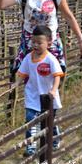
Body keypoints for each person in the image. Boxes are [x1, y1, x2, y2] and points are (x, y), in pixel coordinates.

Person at [14, 26, 64, 156]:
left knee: (48, 121)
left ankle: (55, 140)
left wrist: (53, 90)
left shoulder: (51, 59)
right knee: (31, 120)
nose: (35, 45)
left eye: (39, 43)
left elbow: (57, 76)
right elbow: (22, 74)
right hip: (32, 95)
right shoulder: (28, 58)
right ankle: (31, 146)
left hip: (48, 96)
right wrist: (16, 84)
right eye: (33, 42)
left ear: (49, 42)